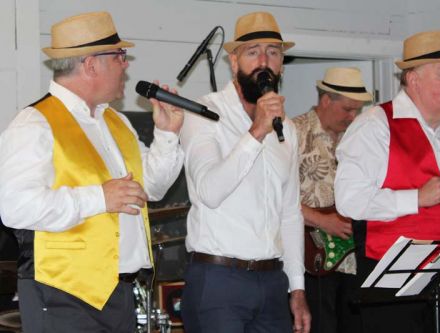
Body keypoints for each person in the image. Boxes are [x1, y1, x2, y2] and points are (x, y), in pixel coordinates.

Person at [0, 11, 184, 332]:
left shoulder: (116, 122)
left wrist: (167, 135)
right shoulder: (34, 123)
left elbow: (151, 188)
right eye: (119, 56)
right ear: (90, 65)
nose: (126, 64)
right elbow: (14, 207)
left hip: (119, 293)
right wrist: (99, 197)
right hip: (63, 294)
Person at [334, 30, 440, 333]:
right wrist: (415, 198)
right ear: (413, 80)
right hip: (392, 283)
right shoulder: (375, 125)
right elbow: (349, 200)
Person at [180, 11, 311, 333]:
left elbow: (290, 213)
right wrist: (255, 133)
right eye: (253, 52)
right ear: (234, 62)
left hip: (272, 282)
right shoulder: (204, 113)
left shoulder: (288, 129)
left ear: (281, 64)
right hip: (219, 279)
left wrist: (297, 287)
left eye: (274, 52)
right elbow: (211, 192)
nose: (264, 61)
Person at [292, 67, 372, 333]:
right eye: (348, 109)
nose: (353, 116)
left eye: (357, 110)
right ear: (326, 100)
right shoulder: (293, 133)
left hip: (354, 258)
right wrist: (323, 221)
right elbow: (274, 196)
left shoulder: (360, 138)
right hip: (312, 258)